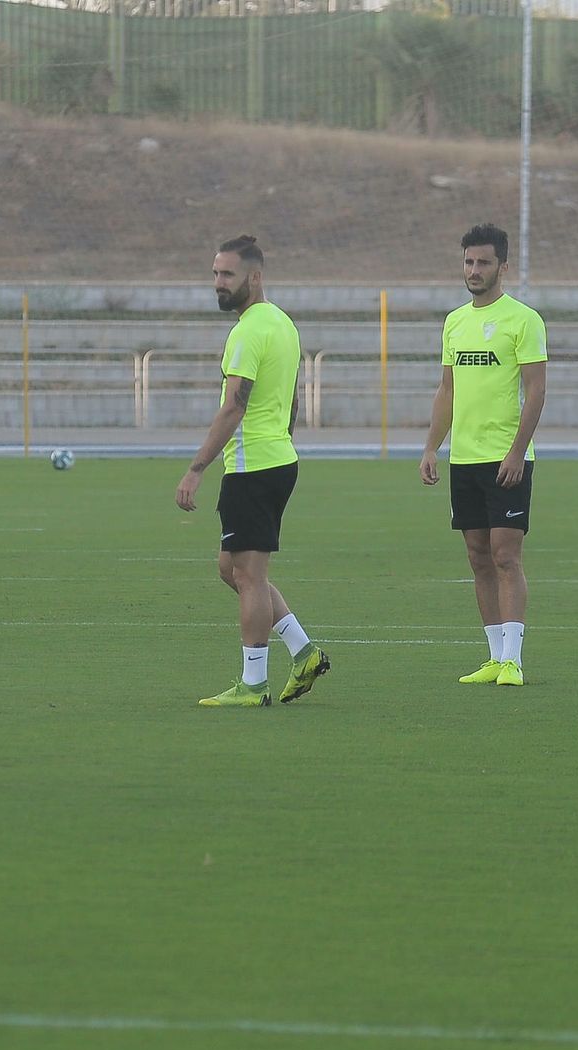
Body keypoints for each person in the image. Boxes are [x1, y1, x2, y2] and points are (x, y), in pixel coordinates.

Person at [175, 235, 329, 708]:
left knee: (249, 574)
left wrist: (196, 468)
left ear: (254, 277)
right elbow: (292, 398)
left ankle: (254, 683)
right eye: (215, 274)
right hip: (276, 460)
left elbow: (233, 407)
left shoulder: (247, 332)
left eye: (227, 275)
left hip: (253, 467)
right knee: (233, 569)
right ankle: (303, 652)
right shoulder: (281, 324)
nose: (218, 284)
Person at [419, 223, 547, 687]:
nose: (474, 270)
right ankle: (494, 656)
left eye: (484, 263)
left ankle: (513, 659)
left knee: (505, 555)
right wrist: (432, 446)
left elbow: (536, 391)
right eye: (469, 262)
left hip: (506, 458)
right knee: (477, 556)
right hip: (464, 458)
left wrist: (516, 451)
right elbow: (447, 390)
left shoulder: (524, 320)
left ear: (502, 267)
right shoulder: (455, 321)